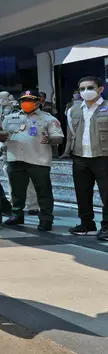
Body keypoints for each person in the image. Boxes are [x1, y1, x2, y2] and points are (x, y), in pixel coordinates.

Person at [0, 90, 64, 232]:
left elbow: (59, 137)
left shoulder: (48, 119)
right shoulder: (10, 118)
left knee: (43, 192)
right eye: (23, 100)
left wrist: (51, 139)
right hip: (15, 159)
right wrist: (0, 137)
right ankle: (17, 215)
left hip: (38, 160)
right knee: (17, 192)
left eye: (29, 100)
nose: (25, 103)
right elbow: (1, 134)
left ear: (38, 102)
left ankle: (46, 219)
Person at [64, 77, 108, 241]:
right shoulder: (73, 111)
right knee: (82, 193)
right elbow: (72, 134)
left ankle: (107, 226)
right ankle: (87, 224)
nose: (85, 91)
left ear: (100, 89)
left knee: (107, 195)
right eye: (82, 89)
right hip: (80, 157)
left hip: (104, 157)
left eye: (90, 87)